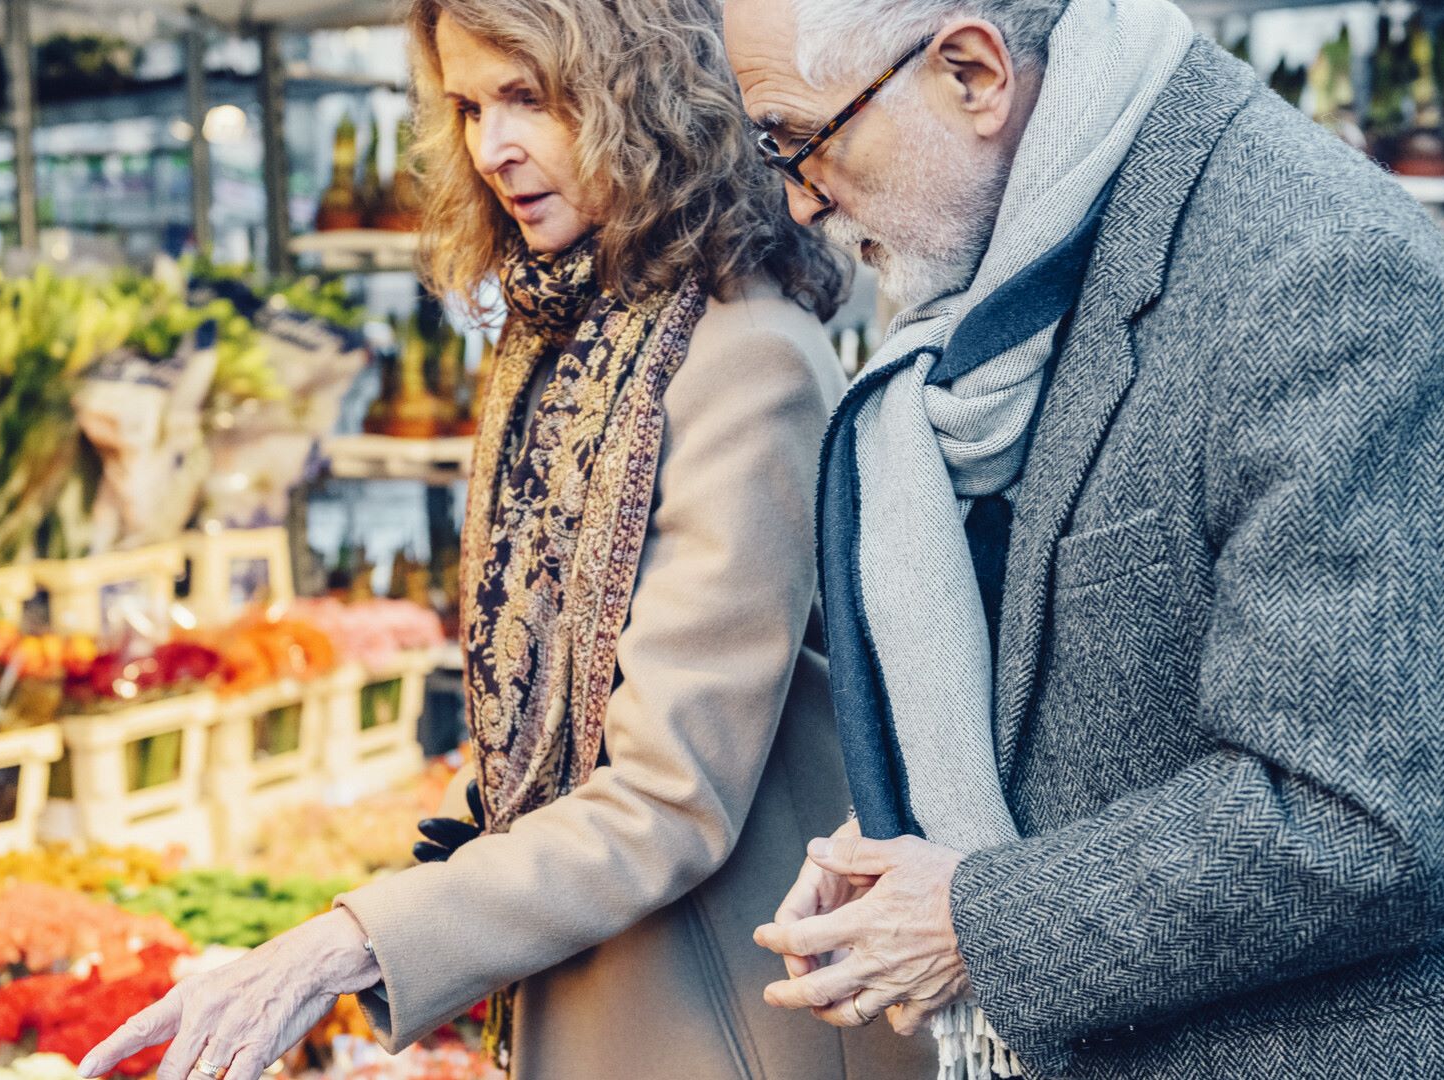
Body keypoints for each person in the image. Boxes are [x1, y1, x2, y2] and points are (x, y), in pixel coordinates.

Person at [79, 2, 934, 1079]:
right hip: (589, 975)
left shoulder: (746, 357)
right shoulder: (562, 339)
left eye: (528, 98)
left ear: (644, 94)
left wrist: (345, 944)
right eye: (468, 107)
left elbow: (669, 798)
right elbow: (538, 720)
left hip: (712, 1014)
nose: (492, 150)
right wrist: (422, 866)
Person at [725, 0, 1444, 1077]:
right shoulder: (1038, 253)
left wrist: (972, 918)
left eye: (800, 139)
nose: (797, 198)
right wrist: (915, 845)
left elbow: (1358, 817)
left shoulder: (1323, 276)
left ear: (972, 73)